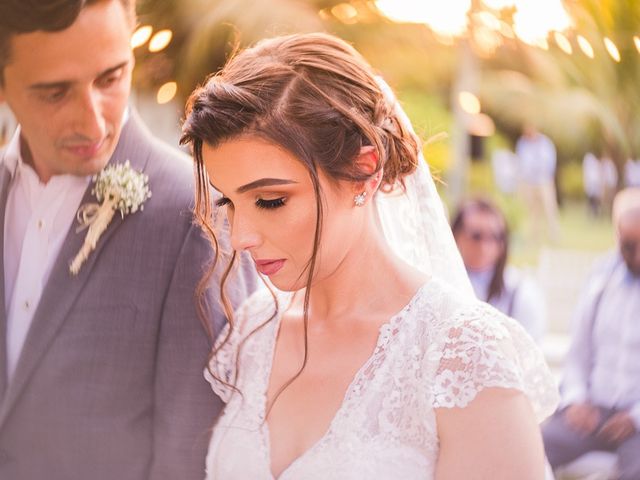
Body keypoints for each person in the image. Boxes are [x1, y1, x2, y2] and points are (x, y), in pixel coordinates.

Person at [181, 32, 558, 479]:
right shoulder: (254, 330)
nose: (240, 237)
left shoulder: (462, 357)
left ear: (364, 171)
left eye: (270, 201)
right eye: (227, 202)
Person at [0, 1, 253, 479]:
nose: (94, 124)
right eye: (55, 93)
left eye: (111, 78)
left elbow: (193, 457)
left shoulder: (194, 215)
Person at [542, 188, 640, 480]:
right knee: (529, 447)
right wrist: (577, 399)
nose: (635, 254)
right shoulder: (601, 278)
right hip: (593, 411)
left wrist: (635, 418)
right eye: (628, 245)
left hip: (636, 421)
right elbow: (578, 352)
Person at [452, 198, 546, 342]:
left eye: (495, 236)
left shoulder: (520, 291)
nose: (485, 245)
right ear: (455, 236)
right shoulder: (443, 282)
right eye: (476, 236)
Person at [515, 123, 560, 242]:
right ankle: (534, 235)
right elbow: (520, 161)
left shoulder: (545, 143)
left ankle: (553, 234)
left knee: (549, 208)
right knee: (532, 210)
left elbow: (550, 162)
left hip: (543, 181)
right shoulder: (522, 143)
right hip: (529, 182)